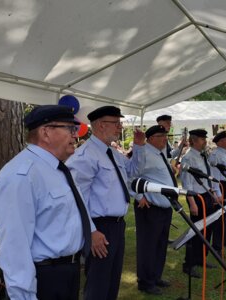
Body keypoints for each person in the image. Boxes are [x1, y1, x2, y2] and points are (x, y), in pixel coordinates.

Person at [0, 105, 94, 299]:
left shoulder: (57, 169)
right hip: (44, 279)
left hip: (68, 272)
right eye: (70, 129)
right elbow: (15, 248)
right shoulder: (21, 175)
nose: (76, 136)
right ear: (46, 132)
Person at [67, 106, 146, 300]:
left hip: (117, 225)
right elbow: (77, 198)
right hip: (100, 227)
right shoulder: (86, 155)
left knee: (111, 282)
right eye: (116, 123)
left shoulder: (112, 153)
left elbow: (134, 171)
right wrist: (91, 231)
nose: (120, 127)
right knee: (98, 284)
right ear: (102, 125)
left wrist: (139, 146)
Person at [134, 125, 175, 295]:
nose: (165, 138)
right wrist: (138, 197)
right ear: (150, 138)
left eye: (166, 135)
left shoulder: (158, 153)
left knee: (160, 245)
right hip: (150, 207)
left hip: (164, 207)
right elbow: (130, 176)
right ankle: (145, 281)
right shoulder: (144, 153)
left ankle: (155, 276)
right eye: (161, 136)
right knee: (148, 246)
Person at [180, 129, 222, 278]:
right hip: (196, 197)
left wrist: (214, 194)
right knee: (196, 231)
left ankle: (201, 259)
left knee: (207, 229)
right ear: (194, 140)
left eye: (205, 138)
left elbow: (207, 178)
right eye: (202, 139)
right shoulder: (188, 158)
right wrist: (192, 203)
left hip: (206, 194)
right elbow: (186, 184)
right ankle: (189, 264)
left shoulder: (203, 155)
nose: (205, 141)